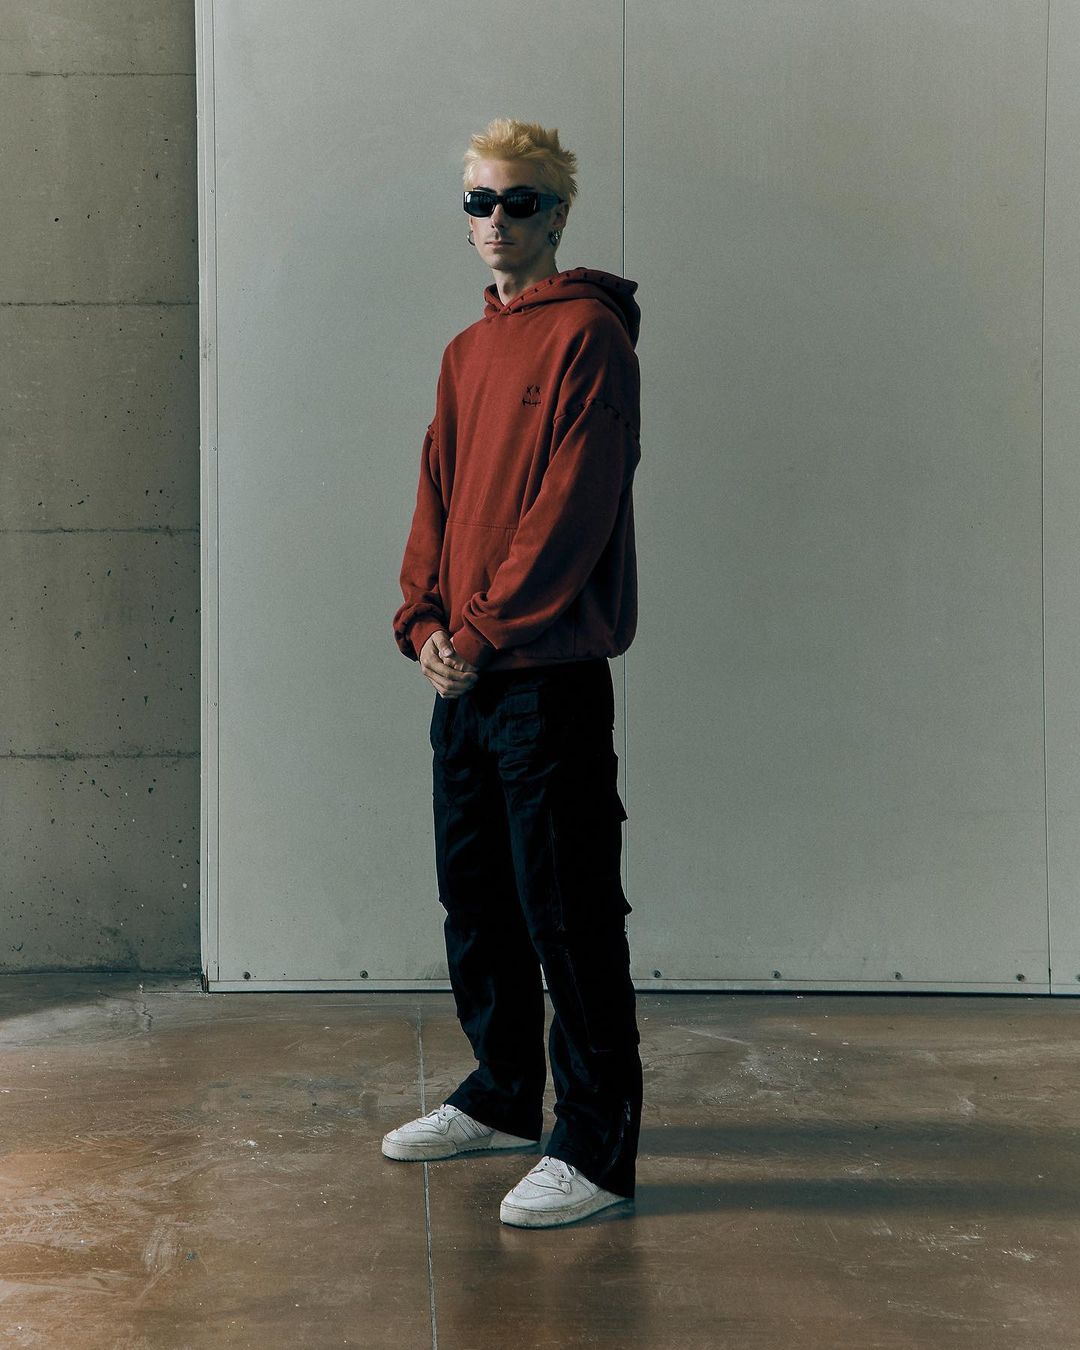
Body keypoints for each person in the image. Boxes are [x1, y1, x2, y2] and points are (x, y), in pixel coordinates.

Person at [385, 118, 643, 1229]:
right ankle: (501, 1096)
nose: (497, 220)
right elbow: (435, 497)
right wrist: (423, 625)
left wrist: (483, 634)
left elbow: (572, 512)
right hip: (464, 676)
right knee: (477, 897)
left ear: (557, 214)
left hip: (544, 677)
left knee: (567, 914)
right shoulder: (465, 351)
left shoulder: (590, 335)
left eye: (519, 201)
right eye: (480, 201)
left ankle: (596, 1146)